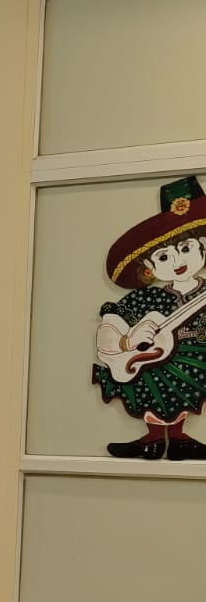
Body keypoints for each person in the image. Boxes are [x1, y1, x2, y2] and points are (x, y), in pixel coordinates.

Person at [95, 175, 206, 460]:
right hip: (150, 364)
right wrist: (127, 340)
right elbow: (111, 322)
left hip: (197, 361)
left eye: (186, 248)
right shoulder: (149, 298)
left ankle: (178, 439)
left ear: (203, 245)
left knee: (189, 376)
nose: (178, 262)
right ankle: (155, 438)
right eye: (164, 257)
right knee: (152, 383)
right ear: (148, 266)